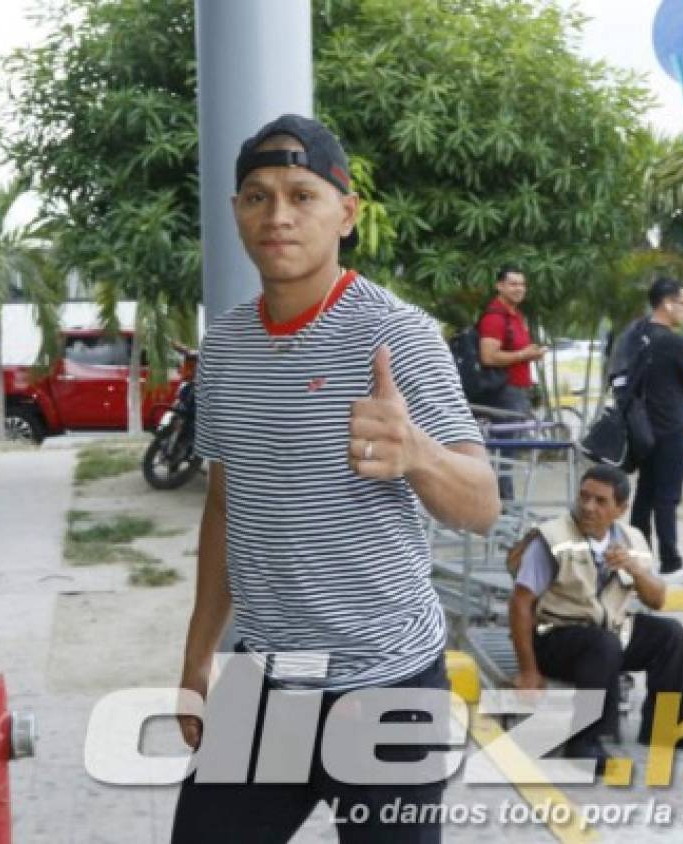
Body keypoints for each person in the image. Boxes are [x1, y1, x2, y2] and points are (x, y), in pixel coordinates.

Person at [171, 114, 499, 844]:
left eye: (302, 195)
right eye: (257, 197)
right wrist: (197, 660)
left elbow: (481, 505)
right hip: (267, 681)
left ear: (345, 214)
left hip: (388, 686)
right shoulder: (224, 345)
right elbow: (227, 505)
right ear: (235, 214)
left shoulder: (397, 334)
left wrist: (417, 451)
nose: (278, 215)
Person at [508, 465, 683, 774]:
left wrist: (636, 569)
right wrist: (528, 671)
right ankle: (584, 742)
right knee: (603, 645)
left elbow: (657, 600)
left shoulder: (632, 539)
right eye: (584, 497)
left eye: (601, 501)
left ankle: (664, 729)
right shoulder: (553, 538)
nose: (589, 507)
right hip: (556, 636)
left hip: (608, 633)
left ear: (621, 509)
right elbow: (520, 604)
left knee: (670, 634)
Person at [628, 277, 683, 586]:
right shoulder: (674, 342)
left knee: (644, 497)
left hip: (639, 430)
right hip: (670, 428)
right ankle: (672, 564)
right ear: (667, 303)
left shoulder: (636, 335)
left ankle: (639, 561)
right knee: (666, 498)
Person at [477, 265, 547, 500]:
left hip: (516, 392)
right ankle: (504, 507)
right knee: (503, 454)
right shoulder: (495, 317)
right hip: (504, 394)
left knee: (508, 452)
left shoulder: (514, 316)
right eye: (513, 284)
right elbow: (488, 355)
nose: (519, 289)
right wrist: (524, 355)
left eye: (522, 284)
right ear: (499, 286)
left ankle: (505, 506)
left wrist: (529, 354)